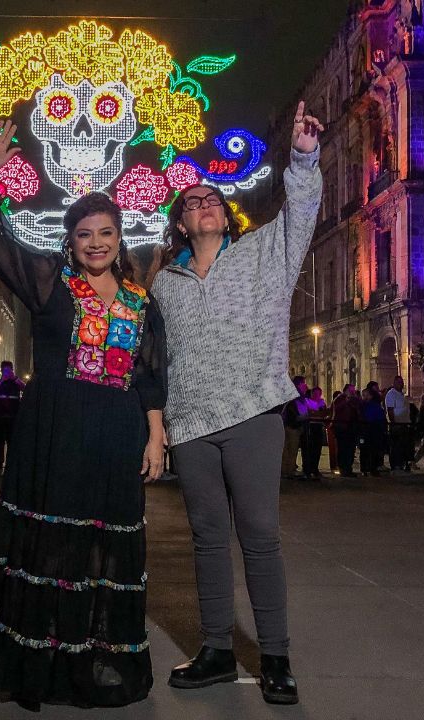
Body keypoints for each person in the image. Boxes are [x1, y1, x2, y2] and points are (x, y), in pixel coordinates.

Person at [0, 119, 167, 710]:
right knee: (53, 546)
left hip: (117, 431)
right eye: (85, 234)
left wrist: (155, 435)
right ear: (70, 241)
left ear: (120, 238)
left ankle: (97, 652)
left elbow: (149, 373)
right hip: (56, 428)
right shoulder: (49, 286)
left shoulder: (141, 301)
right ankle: (44, 658)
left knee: (107, 546)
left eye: (106, 233)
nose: (96, 243)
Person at [152, 101, 321, 707]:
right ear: (180, 223)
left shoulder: (263, 256)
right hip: (192, 424)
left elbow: (301, 210)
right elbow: (157, 360)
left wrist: (302, 157)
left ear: (227, 216)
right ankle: (218, 649)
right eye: (191, 202)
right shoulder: (164, 284)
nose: (203, 205)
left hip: (252, 413)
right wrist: (160, 425)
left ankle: (274, 655)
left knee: (260, 535)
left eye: (212, 200)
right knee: (205, 538)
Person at [0, 361, 24, 475]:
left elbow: (25, 388)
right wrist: (2, 380)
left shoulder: (15, 383)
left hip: (13, 417)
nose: (8, 372)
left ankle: (11, 466)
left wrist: (15, 379)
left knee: (12, 443)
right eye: (5, 370)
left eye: (10, 370)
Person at [280, 376, 308, 478]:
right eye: (303, 383)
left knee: (285, 449)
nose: (305, 385)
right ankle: (290, 470)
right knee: (292, 449)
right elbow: (301, 411)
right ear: (299, 384)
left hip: (285, 424)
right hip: (293, 426)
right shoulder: (297, 395)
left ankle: (284, 470)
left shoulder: (287, 393)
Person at [331, 384, 360, 477]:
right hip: (342, 427)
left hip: (351, 427)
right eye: (351, 390)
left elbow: (357, 410)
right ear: (346, 390)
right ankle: (343, 468)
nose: (353, 391)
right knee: (343, 448)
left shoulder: (354, 400)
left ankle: (348, 468)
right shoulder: (339, 399)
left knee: (350, 449)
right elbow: (337, 409)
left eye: (353, 390)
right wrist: (346, 401)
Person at [384, 375, 411, 471]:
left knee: (403, 445)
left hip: (404, 424)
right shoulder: (391, 394)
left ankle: (402, 463)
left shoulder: (401, 395)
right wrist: (394, 423)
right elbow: (390, 410)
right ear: (394, 383)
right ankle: (395, 465)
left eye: (402, 382)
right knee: (396, 446)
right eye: (399, 382)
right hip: (397, 425)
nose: (401, 384)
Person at [359, 385, 387, 476]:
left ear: (371, 396)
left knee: (374, 450)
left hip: (374, 429)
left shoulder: (375, 406)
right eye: (363, 395)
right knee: (364, 450)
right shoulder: (361, 406)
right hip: (364, 430)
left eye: (366, 395)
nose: (364, 397)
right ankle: (364, 468)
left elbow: (380, 417)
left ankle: (372, 468)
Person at [301, 387, 327, 479]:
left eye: (318, 394)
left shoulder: (322, 402)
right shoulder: (307, 401)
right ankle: (307, 469)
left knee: (317, 449)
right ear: (311, 394)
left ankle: (315, 468)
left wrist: (315, 412)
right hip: (310, 427)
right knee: (309, 448)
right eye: (315, 393)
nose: (316, 396)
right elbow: (309, 413)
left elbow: (323, 413)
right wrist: (315, 412)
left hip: (318, 426)